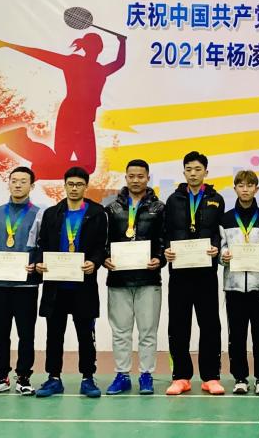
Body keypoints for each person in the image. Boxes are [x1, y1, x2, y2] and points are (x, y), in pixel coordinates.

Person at [0, 32, 126, 179]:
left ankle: (32, 159)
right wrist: (9, 45)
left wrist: (122, 43)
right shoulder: (76, 63)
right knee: (78, 165)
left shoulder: (100, 69)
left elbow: (119, 63)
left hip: (84, 119)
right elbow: (43, 55)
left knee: (79, 165)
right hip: (70, 116)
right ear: (98, 48)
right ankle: (23, 147)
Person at [34, 167, 108, 398]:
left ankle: (88, 378)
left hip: (83, 286)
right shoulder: (52, 214)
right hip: (56, 286)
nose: (74, 188)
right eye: (70, 184)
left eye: (79, 184)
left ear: (86, 186)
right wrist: (40, 262)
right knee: (54, 335)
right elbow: (42, 244)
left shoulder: (97, 213)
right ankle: (53, 378)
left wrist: (94, 262)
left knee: (85, 335)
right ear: (64, 186)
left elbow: (101, 246)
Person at [163, 151, 226, 395]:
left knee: (210, 324)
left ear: (206, 172)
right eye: (189, 169)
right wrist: (166, 250)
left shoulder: (216, 199)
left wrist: (216, 248)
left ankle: (211, 377)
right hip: (179, 272)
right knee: (178, 325)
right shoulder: (173, 200)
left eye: (198, 169)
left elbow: (220, 233)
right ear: (183, 172)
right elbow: (166, 232)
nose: (193, 173)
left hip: (206, 272)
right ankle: (181, 376)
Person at [102, 159, 165, 395]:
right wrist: (104, 258)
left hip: (148, 278)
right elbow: (103, 240)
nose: (136, 180)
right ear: (126, 177)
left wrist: (160, 258)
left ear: (148, 178)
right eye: (132, 176)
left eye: (140, 176)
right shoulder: (111, 208)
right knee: (121, 331)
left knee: (148, 331)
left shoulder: (159, 208)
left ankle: (146, 375)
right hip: (118, 279)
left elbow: (164, 239)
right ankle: (122, 375)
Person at [0, 166, 43, 396]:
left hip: (27, 285)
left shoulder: (40, 214)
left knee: (26, 333)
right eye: (14, 180)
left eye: (23, 181)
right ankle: (1, 376)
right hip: (0, 283)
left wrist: (36, 264)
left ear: (31, 186)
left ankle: (24, 377)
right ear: (8, 183)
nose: (18, 184)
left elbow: (43, 246)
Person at [219, 170, 259, 395]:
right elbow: (221, 247)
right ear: (235, 189)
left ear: (256, 189)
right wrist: (223, 256)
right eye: (241, 185)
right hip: (233, 286)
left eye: (250, 185)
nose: (245, 189)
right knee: (237, 335)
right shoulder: (226, 218)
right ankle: (240, 377)